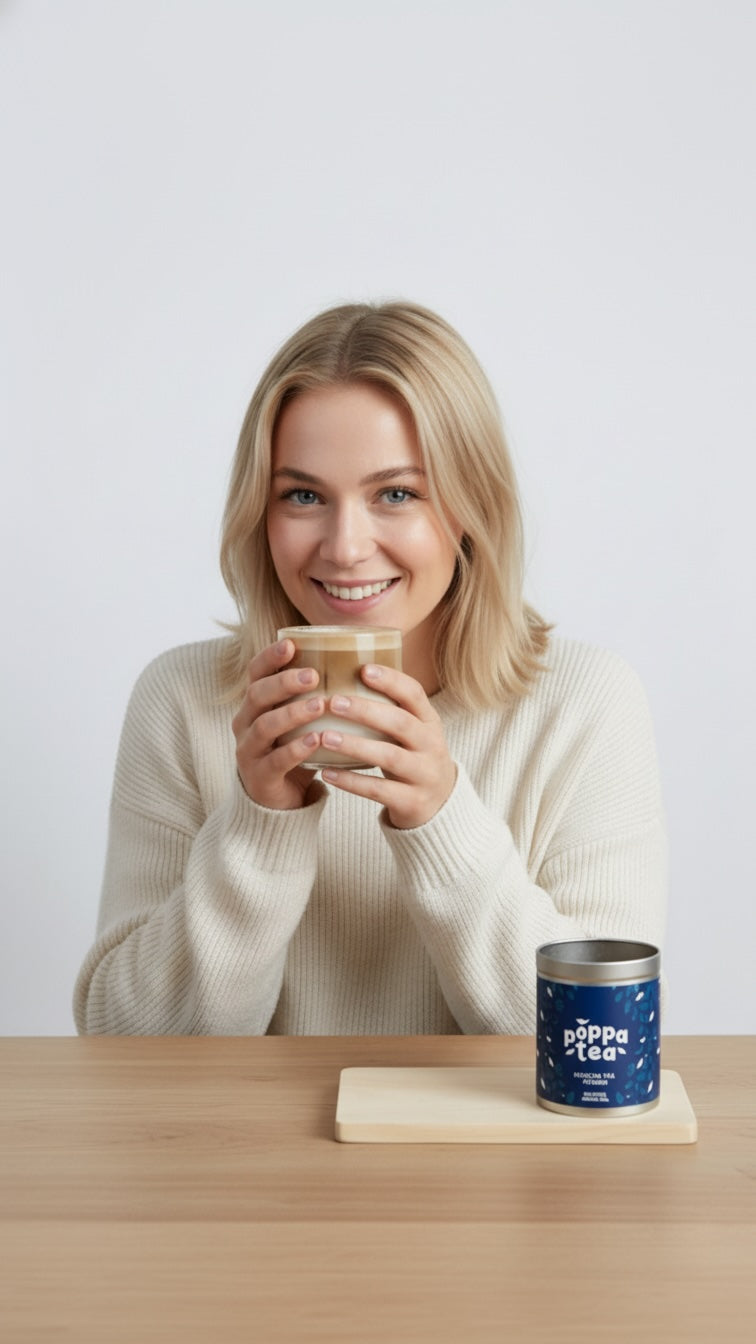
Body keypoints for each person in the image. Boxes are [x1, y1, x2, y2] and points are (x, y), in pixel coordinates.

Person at [73, 301, 667, 1035]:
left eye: (396, 494)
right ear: (261, 513)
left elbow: (606, 1040)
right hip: (253, 1121)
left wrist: (444, 821)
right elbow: (124, 1043)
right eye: (303, 495)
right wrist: (258, 826)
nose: (346, 547)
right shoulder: (183, 700)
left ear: (470, 508)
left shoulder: (585, 704)